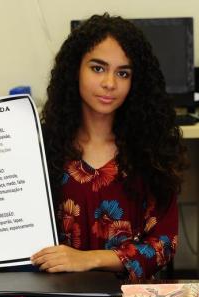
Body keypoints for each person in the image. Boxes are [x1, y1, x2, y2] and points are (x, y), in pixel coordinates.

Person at [30, 13, 188, 281]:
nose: (109, 83)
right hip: (54, 296)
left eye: (123, 73)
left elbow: (164, 244)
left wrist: (89, 259)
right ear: (75, 70)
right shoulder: (42, 143)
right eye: (98, 68)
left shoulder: (151, 148)